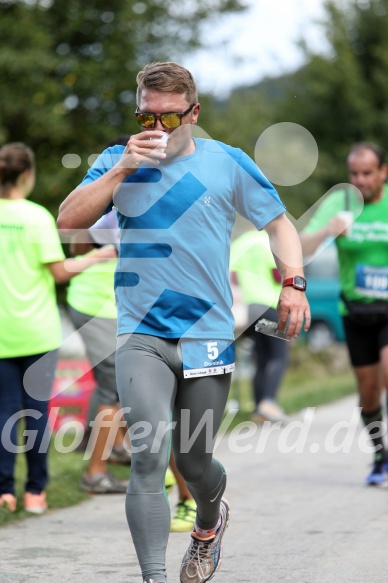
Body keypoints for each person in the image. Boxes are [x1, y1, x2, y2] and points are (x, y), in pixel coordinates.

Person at [57, 62, 310, 583]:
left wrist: (293, 283)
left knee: (195, 463)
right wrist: (122, 168)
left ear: (193, 114)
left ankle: (209, 525)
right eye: (146, 118)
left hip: (207, 334)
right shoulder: (115, 160)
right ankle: (153, 577)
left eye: (168, 120)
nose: (155, 131)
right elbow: (68, 220)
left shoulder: (227, 163)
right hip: (141, 333)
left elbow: (279, 224)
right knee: (149, 455)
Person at [0, 142, 116, 514]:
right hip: (37, 331)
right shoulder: (36, 217)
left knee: (3, 414)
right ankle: (36, 493)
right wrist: (98, 255)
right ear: (27, 175)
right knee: (35, 414)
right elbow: (58, 270)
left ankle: (4, 492)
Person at [300, 142, 388, 486]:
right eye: (354, 173)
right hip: (355, 311)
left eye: (368, 173)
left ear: (383, 172)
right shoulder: (340, 203)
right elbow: (301, 246)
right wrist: (326, 231)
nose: (361, 180)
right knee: (368, 393)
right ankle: (381, 454)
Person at [67, 209, 129, 494]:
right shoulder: (120, 207)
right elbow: (78, 241)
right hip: (95, 304)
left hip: (108, 306)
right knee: (113, 385)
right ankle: (95, 473)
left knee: (115, 383)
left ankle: (116, 447)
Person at [230, 229, 290, 424]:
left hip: (249, 310)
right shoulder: (271, 242)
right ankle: (268, 401)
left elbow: (230, 272)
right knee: (278, 355)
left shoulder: (241, 242)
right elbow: (278, 274)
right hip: (270, 307)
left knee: (262, 356)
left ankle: (258, 409)